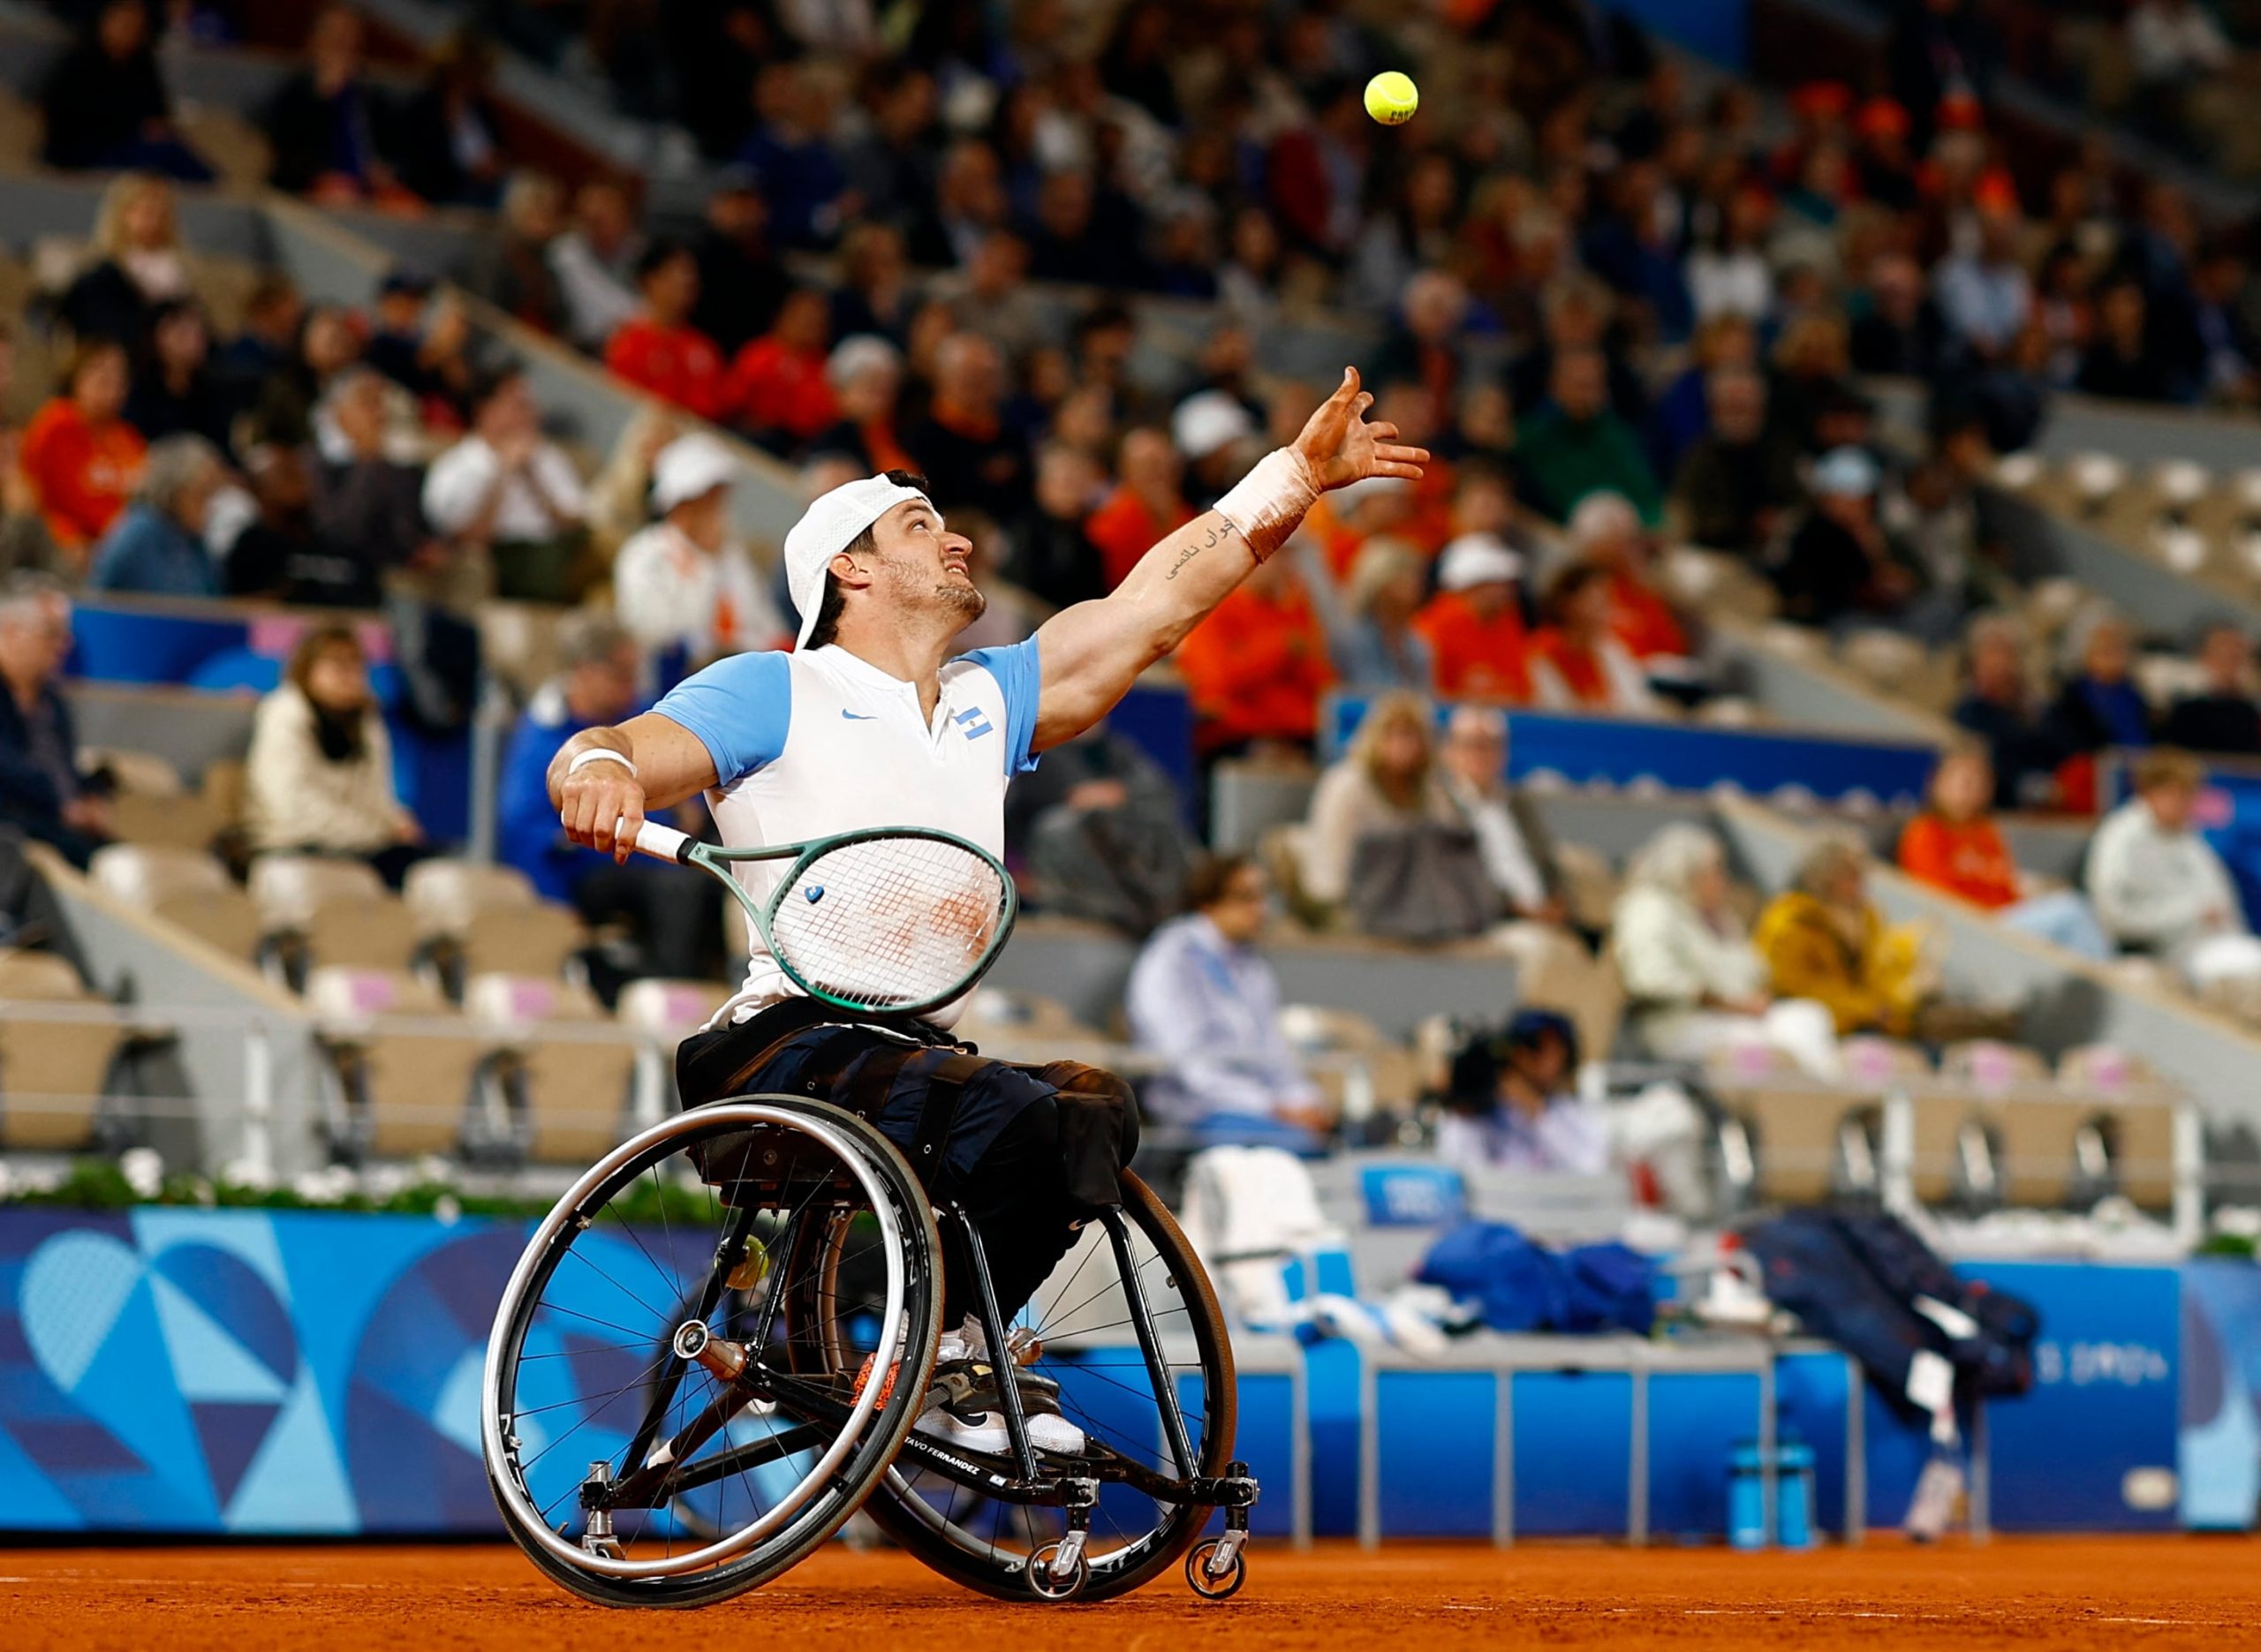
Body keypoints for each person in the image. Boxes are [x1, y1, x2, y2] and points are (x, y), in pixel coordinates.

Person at [547, 369, 1423, 1453]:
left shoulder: (987, 698)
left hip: (913, 1053)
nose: (956, 543)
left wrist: (1290, 476)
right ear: (848, 568)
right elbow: (624, 746)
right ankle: (946, 1356)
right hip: (781, 1047)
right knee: (1001, 1105)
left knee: (1091, 1106)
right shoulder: (776, 686)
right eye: (921, 525)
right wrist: (594, 766)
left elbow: (1153, 607)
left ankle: (957, 1351)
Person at [497, 613, 715, 981]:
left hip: (660, 862)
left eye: (634, 674)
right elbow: (522, 830)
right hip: (588, 872)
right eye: (621, 675)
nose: (631, 687)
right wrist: (556, 908)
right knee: (677, 889)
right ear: (585, 671)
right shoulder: (542, 734)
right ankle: (670, 995)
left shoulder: (640, 716)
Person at [1126, 856, 1333, 1152]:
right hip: (1195, 1110)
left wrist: (1305, 1101)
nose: (1261, 909)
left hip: (1257, 1110)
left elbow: (1273, 1052)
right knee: (1301, 1146)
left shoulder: (1253, 967)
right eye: (1246, 897)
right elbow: (1188, 1064)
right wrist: (1273, 1107)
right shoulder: (1171, 959)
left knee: (1348, 1135)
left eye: (1264, 896)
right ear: (1207, 903)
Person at [1609, 824, 1842, 1077]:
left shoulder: (1721, 916)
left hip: (1741, 1016)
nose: (1724, 880)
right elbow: (1651, 979)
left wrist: (1759, 996)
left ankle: (1825, 1103)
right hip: (1680, 1024)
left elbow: (1756, 969)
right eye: (1716, 871)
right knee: (1757, 1043)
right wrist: (1727, 1005)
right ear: (1687, 871)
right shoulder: (1649, 907)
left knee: (1811, 1017)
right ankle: (1790, 1107)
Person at [1302, 691, 1499, 939]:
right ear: (1375, 736)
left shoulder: (1430, 791)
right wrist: (1337, 910)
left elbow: (1451, 851)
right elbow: (1330, 862)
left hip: (1417, 911)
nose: (1402, 744)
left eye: (1411, 735)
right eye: (1393, 733)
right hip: (1356, 904)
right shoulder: (1346, 785)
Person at [246, 624, 427, 887]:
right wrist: (376, 832)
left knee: (429, 867)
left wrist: (396, 820)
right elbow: (293, 808)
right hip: (292, 844)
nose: (350, 675)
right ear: (307, 668)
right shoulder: (283, 715)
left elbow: (377, 792)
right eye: (338, 664)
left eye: (357, 664)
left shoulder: (366, 720)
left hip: (360, 844)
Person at [1897, 743, 2113, 959]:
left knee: (2066, 917)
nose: (1970, 788)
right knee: (2070, 909)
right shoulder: (1924, 832)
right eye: (1962, 780)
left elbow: (2006, 889)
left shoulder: (1985, 831)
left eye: (1979, 781)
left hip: (2002, 922)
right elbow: (1937, 902)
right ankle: (2113, 979)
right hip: (1967, 929)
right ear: (1937, 784)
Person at [2087, 748, 2261, 991]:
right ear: (2151, 792)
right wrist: (2190, 915)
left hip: (2218, 945)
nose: (2187, 804)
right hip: (2164, 954)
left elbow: (2224, 906)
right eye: (2179, 795)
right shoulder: (2121, 837)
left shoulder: (2190, 840)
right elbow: (2114, 917)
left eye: (2191, 795)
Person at [610, 434, 788, 666]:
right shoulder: (643, 554)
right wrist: (705, 566)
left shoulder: (731, 553)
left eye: (719, 497)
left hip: (740, 671)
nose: (716, 507)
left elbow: (762, 620)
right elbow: (658, 634)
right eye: (707, 497)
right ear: (681, 501)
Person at [421, 370, 591, 603]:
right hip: (505, 556)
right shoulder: (456, 467)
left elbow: (576, 519)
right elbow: (469, 538)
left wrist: (533, 477)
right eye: (519, 406)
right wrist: (503, 474)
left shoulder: (547, 455)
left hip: (560, 549)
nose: (531, 415)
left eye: (531, 406)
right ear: (485, 411)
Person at [1752, 835, 1938, 1041]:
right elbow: (1799, 989)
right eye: (1850, 874)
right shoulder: (1791, 919)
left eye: (1861, 873)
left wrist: (1906, 993)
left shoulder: (1868, 916)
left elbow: (1879, 975)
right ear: (1824, 877)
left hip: (1867, 1021)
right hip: (1811, 1024)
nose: (1860, 883)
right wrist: (1867, 1009)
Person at [305, 368, 445, 609]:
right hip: (353, 571)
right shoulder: (316, 462)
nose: (379, 414)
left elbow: (423, 519)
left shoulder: (401, 464)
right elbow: (340, 530)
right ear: (339, 413)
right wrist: (368, 458)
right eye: (367, 404)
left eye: (380, 404)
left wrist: (435, 546)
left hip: (408, 564)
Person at [1171, 549, 1334, 758]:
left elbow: (1323, 684)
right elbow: (1217, 680)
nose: (1284, 566)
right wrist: (1280, 648)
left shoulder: (1291, 613)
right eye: (1277, 555)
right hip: (1237, 736)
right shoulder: (1214, 610)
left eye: (1288, 557)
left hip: (1298, 733)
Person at [0, 575, 111, 868]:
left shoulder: (51, 699)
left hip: (65, 827)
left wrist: (91, 795)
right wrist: (62, 806)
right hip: (20, 829)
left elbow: (67, 770)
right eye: (51, 632)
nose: (63, 644)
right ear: (10, 631)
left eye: (65, 633)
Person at [39, 0, 210, 179]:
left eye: (136, 26)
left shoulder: (142, 65)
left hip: (134, 147)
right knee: (160, 153)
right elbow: (70, 120)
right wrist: (134, 128)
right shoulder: (78, 66)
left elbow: (157, 111)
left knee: (172, 152)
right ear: (104, 22)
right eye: (123, 23)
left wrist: (154, 127)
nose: (129, 31)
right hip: (85, 153)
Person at [19, 339, 147, 568]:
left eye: (119, 374)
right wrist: (68, 537)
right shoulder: (55, 424)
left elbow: (144, 499)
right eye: (100, 370)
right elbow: (38, 499)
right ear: (76, 376)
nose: (111, 380)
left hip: (122, 544)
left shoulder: (127, 436)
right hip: (70, 544)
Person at [1434, 705, 1565, 925]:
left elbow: (1548, 863)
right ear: (1450, 752)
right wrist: (1518, 910)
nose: (1481, 755)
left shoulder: (1518, 804)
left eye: (1490, 746)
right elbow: (1462, 879)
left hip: (1546, 917)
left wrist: (1558, 902)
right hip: (1493, 920)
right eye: (1471, 745)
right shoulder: (1443, 807)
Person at [1435, 1009, 1608, 1173]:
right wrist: (1467, 1105)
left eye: (1538, 1047)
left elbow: (1591, 1168)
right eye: (1525, 1044)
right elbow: (1460, 1164)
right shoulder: (1484, 1113)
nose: (1527, 1057)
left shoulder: (1574, 1114)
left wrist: (1536, 1111)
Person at [262, 6, 405, 205]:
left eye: (350, 42)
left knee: (408, 208)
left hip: (370, 189)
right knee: (341, 196)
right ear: (314, 43)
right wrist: (323, 99)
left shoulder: (370, 97)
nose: (344, 49)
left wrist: (386, 170)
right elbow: (286, 158)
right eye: (336, 40)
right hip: (313, 189)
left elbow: (397, 148)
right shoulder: (295, 95)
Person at [1515, 349, 1663, 524]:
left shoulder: (1617, 434)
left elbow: (1646, 495)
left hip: (1622, 532)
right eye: (1580, 386)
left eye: (1596, 386)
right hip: (1551, 533)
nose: (1588, 396)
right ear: (1555, 386)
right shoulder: (1530, 438)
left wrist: (1652, 526)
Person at [1671, 366, 1802, 555]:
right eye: (1735, 408)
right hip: (1719, 554)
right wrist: (1745, 525)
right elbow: (1688, 513)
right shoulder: (1699, 457)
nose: (1743, 416)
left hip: (1779, 549)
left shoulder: (1780, 449)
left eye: (1749, 407)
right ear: (1716, 409)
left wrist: (1780, 521)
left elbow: (1799, 502)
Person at [58, 172, 193, 351]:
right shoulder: (100, 279)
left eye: (163, 213)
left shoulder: (181, 278)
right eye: (147, 211)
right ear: (121, 214)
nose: (155, 222)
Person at [88, 434, 225, 597]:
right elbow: (96, 595)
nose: (210, 506)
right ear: (175, 491)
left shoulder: (194, 540)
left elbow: (214, 600)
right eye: (203, 494)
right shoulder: (138, 532)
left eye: (213, 494)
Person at [603, 242, 728, 421]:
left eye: (692, 274)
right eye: (679, 272)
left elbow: (713, 411)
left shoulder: (705, 349)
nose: (688, 280)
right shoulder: (626, 339)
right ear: (650, 280)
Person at [1952, 613, 2064, 809]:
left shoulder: (2039, 709)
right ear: (1974, 660)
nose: (1999, 661)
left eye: (2007, 652)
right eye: (1991, 651)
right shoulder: (1967, 712)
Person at [1528, 562, 1663, 716]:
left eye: (1607, 599)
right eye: (1595, 598)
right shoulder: (1542, 653)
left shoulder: (1613, 651)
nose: (1604, 608)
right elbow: (1548, 709)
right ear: (1567, 603)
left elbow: (1638, 706)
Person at [1415, 532, 1531, 702]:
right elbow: (1435, 693)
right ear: (1470, 584)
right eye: (1495, 582)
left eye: (1507, 583)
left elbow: (1522, 691)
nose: (1506, 591)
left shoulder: (1509, 622)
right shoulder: (1435, 625)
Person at [460, 171, 568, 336]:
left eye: (551, 213)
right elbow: (486, 318)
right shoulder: (490, 258)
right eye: (539, 211)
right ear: (518, 210)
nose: (547, 222)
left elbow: (560, 318)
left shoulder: (547, 263)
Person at [124, 298, 231, 453]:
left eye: (199, 332)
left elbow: (222, 445)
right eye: (183, 333)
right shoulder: (139, 390)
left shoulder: (209, 388)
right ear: (157, 339)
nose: (195, 340)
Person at [1327, 537, 1434, 692]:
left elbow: (1426, 696)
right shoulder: (1351, 637)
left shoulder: (1416, 642)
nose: (1417, 585)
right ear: (1381, 582)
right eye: (1407, 577)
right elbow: (1369, 691)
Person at [2161, 624, 2261, 755]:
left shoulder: (2249, 705)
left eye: (2237, 656)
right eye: (2224, 655)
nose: (2232, 658)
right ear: (2203, 655)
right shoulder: (2185, 703)